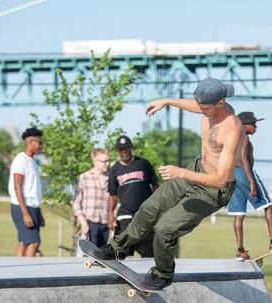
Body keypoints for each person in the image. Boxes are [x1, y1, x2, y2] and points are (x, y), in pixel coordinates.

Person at [88, 77, 242, 290]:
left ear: (220, 104)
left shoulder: (232, 128)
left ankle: (163, 274)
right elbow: (195, 105)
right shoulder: (209, 107)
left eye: (205, 108)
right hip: (197, 170)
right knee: (150, 207)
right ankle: (117, 248)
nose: (201, 110)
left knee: (165, 228)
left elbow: (221, 179)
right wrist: (166, 101)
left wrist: (181, 172)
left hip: (213, 190)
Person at [227, 111, 272, 260]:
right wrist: (252, 181)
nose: (255, 127)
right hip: (244, 173)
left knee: (239, 214)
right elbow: (244, 159)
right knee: (268, 205)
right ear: (244, 125)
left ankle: (240, 251)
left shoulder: (234, 138)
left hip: (232, 175)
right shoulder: (244, 138)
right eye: (253, 124)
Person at [108, 135, 159, 257]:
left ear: (131, 148)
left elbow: (155, 185)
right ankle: (124, 274)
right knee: (124, 248)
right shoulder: (114, 169)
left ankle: (146, 274)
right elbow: (112, 195)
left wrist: (155, 206)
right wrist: (110, 215)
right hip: (125, 213)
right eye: (121, 149)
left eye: (126, 148)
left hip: (144, 213)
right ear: (118, 150)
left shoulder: (143, 164)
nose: (124, 151)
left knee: (147, 249)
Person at [8, 128, 45, 257]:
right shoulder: (21, 160)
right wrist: (25, 213)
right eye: (39, 142)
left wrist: (39, 213)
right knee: (34, 242)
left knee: (24, 242)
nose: (41, 146)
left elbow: (33, 189)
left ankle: (18, 273)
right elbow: (17, 187)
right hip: (22, 206)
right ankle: (28, 274)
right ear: (29, 142)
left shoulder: (33, 161)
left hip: (32, 206)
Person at [73, 148, 111, 247]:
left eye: (108, 161)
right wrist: (83, 223)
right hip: (90, 223)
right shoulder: (84, 177)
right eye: (104, 161)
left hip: (105, 223)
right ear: (95, 162)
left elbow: (113, 201)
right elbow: (76, 202)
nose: (107, 164)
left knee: (102, 256)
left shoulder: (110, 178)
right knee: (90, 255)